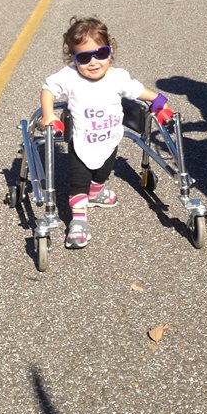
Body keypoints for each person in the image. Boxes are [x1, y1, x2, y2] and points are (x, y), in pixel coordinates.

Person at [41, 16, 173, 249]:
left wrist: (160, 101)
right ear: (73, 58)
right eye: (83, 57)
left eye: (99, 54)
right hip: (82, 143)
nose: (93, 62)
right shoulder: (69, 76)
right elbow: (48, 89)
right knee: (78, 182)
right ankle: (78, 222)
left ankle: (96, 193)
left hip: (110, 140)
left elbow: (139, 91)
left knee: (103, 172)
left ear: (109, 51)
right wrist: (49, 114)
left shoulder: (118, 77)